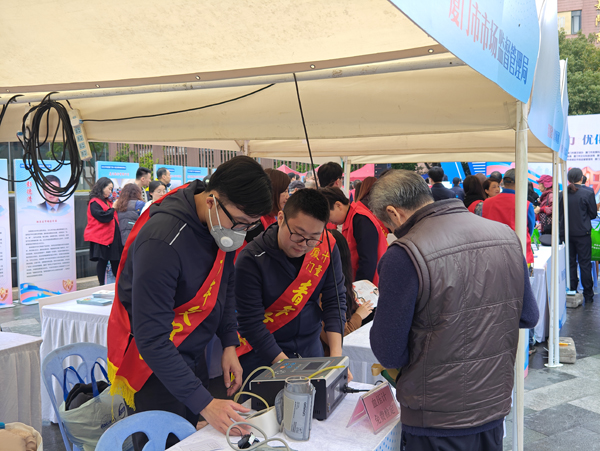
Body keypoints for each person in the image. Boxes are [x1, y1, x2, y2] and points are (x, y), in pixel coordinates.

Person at [107, 156, 272, 448]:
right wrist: (206, 403)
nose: (241, 232)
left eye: (250, 225)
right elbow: (152, 338)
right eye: (240, 223)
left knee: (194, 439)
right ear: (211, 201)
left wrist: (229, 343)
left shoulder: (220, 224)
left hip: (192, 351)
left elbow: (223, 283)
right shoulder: (162, 241)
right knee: (164, 441)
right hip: (154, 366)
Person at [368, 170, 539, 450]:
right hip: (492, 402)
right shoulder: (506, 236)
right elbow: (528, 316)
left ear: (393, 213)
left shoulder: (404, 253)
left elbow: (389, 351)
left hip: (435, 416)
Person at [235, 189, 347, 380]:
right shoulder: (251, 259)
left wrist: (336, 358)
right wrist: (292, 371)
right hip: (266, 355)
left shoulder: (326, 246)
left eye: (314, 237)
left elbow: (335, 300)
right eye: (298, 234)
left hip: (311, 349)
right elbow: (251, 324)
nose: (304, 244)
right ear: (280, 218)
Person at [320, 230, 373, 355]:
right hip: (330, 356)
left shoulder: (339, 285)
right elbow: (341, 337)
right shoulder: (324, 293)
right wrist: (358, 315)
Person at [320, 187, 387, 284]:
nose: (328, 221)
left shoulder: (361, 219)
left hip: (370, 284)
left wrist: (359, 287)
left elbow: (368, 261)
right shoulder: (349, 218)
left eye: (328, 216)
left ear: (338, 205)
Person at [559, 168, 598, 303]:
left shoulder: (562, 194)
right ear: (581, 178)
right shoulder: (588, 192)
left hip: (567, 234)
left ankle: (572, 290)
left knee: (570, 263)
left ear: (568, 179)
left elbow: (560, 214)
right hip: (583, 234)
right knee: (585, 264)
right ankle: (588, 294)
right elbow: (593, 214)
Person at [481, 168, 535, 264]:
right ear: (521, 181)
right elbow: (530, 230)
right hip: (519, 254)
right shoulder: (526, 204)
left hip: (493, 255)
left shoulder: (486, 203)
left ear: (503, 181)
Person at [84, 177, 122, 285]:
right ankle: (102, 285)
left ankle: (118, 284)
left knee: (116, 260)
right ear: (102, 187)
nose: (110, 191)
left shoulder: (107, 201)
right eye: (109, 189)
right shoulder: (94, 202)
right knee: (103, 261)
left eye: (111, 189)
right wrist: (113, 208)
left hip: (112, 236)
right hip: (102, 237)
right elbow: (103, 217)